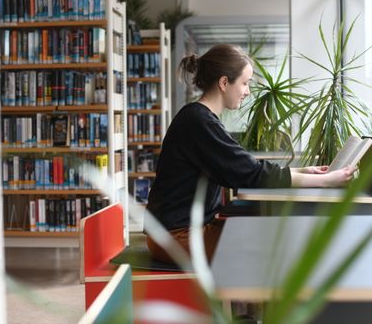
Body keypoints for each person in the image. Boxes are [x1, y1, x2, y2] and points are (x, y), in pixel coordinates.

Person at [146, 44, 356, 264]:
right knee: (273, 242)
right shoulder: (199, 121)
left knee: (268, 230)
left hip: (181, 231)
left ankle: (247, 298)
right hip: (176, 238)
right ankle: (247, 297)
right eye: (245, 83)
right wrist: (325, 181)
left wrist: (305, 171)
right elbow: (250, 173)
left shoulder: (200, 118)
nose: (247, 91)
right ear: (224, 83)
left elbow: (242, 167)